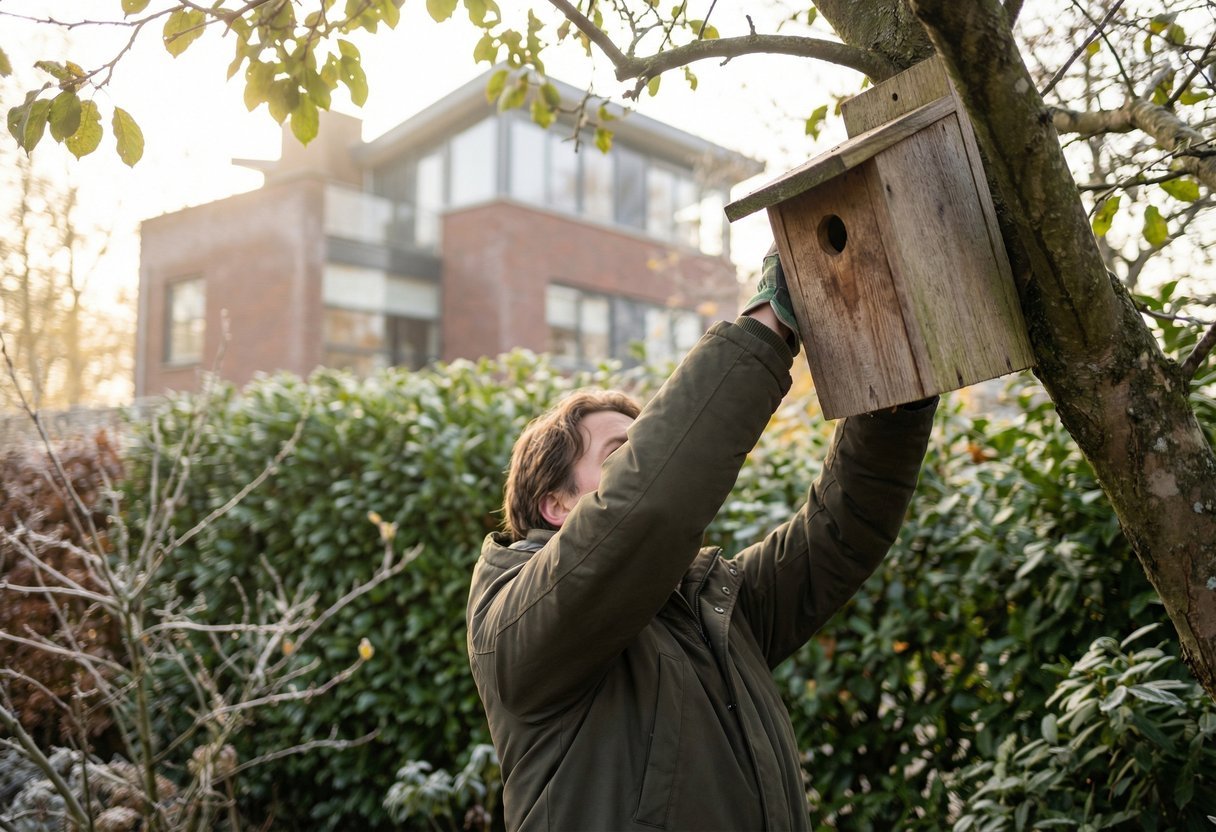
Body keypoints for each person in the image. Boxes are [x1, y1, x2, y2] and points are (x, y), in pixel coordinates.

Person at [466, 246, 936, 831]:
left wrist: (896, 383)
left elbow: (845, 531)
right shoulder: (512, 627)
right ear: (557, 505)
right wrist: (770, 324)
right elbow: (646, 507)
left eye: (644, 447)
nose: (644, 462)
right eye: (622, 455)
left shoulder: (711, 609)